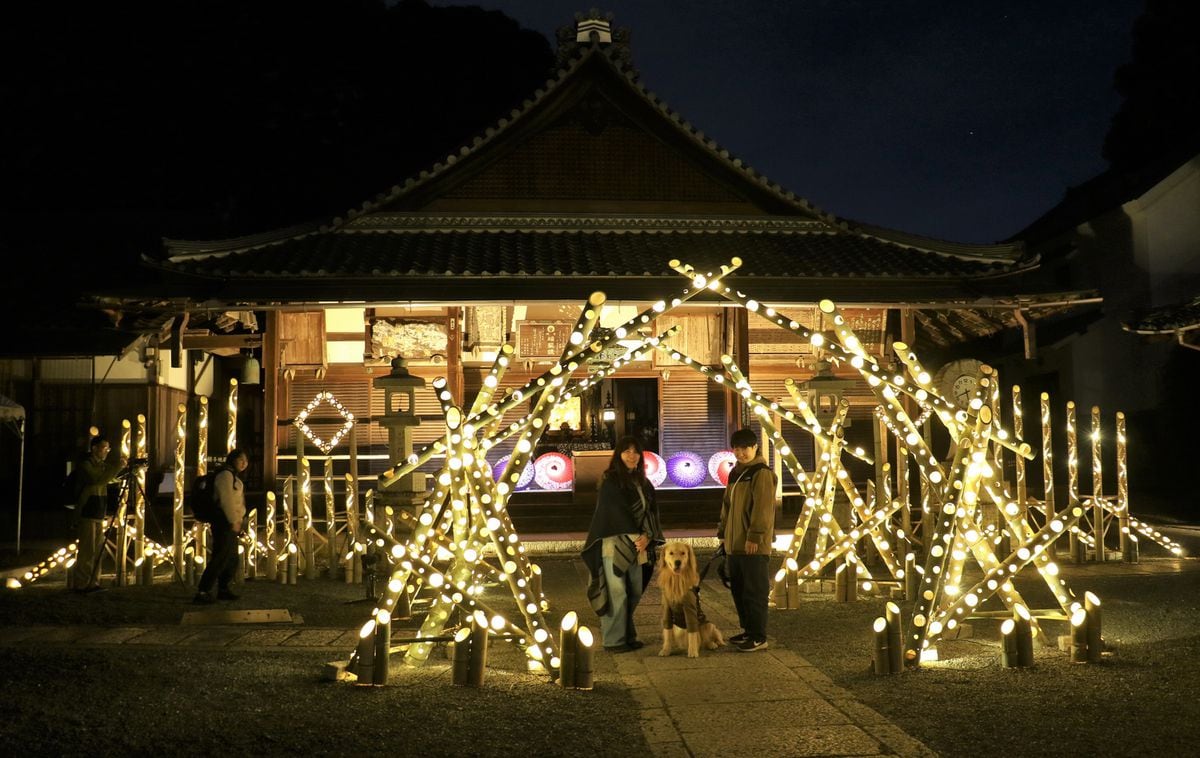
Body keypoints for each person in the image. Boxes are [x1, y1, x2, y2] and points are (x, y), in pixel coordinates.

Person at [581, 435, 664, 653]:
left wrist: (648, 535)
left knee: (634, 590)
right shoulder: (611, 481)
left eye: (635, 451)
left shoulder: (644, 483)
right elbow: (614, 511)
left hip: (639, 545)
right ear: (618, 454)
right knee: (617, 592)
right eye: (626, 451)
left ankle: (628, 634)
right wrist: (637, 536)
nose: (631, 455)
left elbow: (651, 512)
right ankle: (614, 640)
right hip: (615, 543)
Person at [717, 428, 777, 652]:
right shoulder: (736, 473)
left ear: (755, 448)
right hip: (734, 543)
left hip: (753, 545)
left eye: (745, 448)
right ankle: (748, 630)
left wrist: (755, 536)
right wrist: (722, 533)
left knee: (755, 591)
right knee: (739, 590)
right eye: (737, 449)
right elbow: (727, 506)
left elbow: (762, 508)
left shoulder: (761, 473)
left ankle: (759, 635)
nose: (740, 453)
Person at [70, 436, 127, 593]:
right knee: (87, 551)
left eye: (108, 449)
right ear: (94, 448)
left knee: (98, 551)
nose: (106, 452)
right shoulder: (86, 465)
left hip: (98, 511)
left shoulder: (102, 466)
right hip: (87, 511)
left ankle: (94, 582)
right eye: (104, 448)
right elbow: (97, 479)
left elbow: (111, 478)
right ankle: (82, 584)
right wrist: (117, 467)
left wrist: (128, 470)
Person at [194, 449, 249, 604]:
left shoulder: (233, 476)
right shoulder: (225, 476)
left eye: (246, 461)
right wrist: (234, 520)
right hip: (224, 522)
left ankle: (223, 588)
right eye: (240, 460)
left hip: (231, 523)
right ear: (232, 460)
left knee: (231, 558)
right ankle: (203, 590)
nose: (244, 463)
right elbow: (226, 500)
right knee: (220, 557)